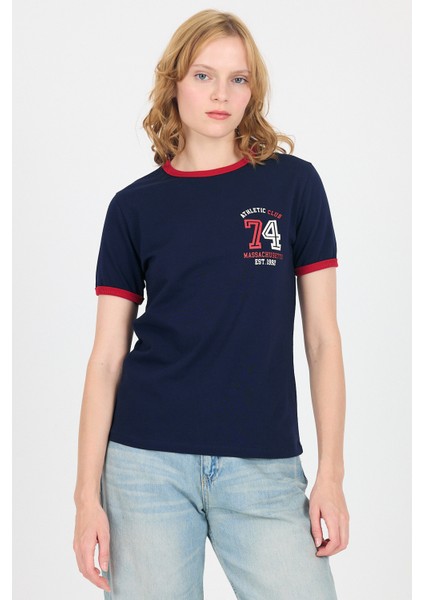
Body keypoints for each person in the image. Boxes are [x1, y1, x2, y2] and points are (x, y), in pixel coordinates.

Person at [73, 9, 349, 599]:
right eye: (203, 75)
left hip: (264, 468)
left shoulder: (294, 186)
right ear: (174, 82)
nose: (222, 93)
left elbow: (323, 340)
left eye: (238, 78)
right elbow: (106, 359)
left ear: (253, 90)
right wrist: (85, 499)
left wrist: (331, 474)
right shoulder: (133, 208)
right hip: (145, 467)